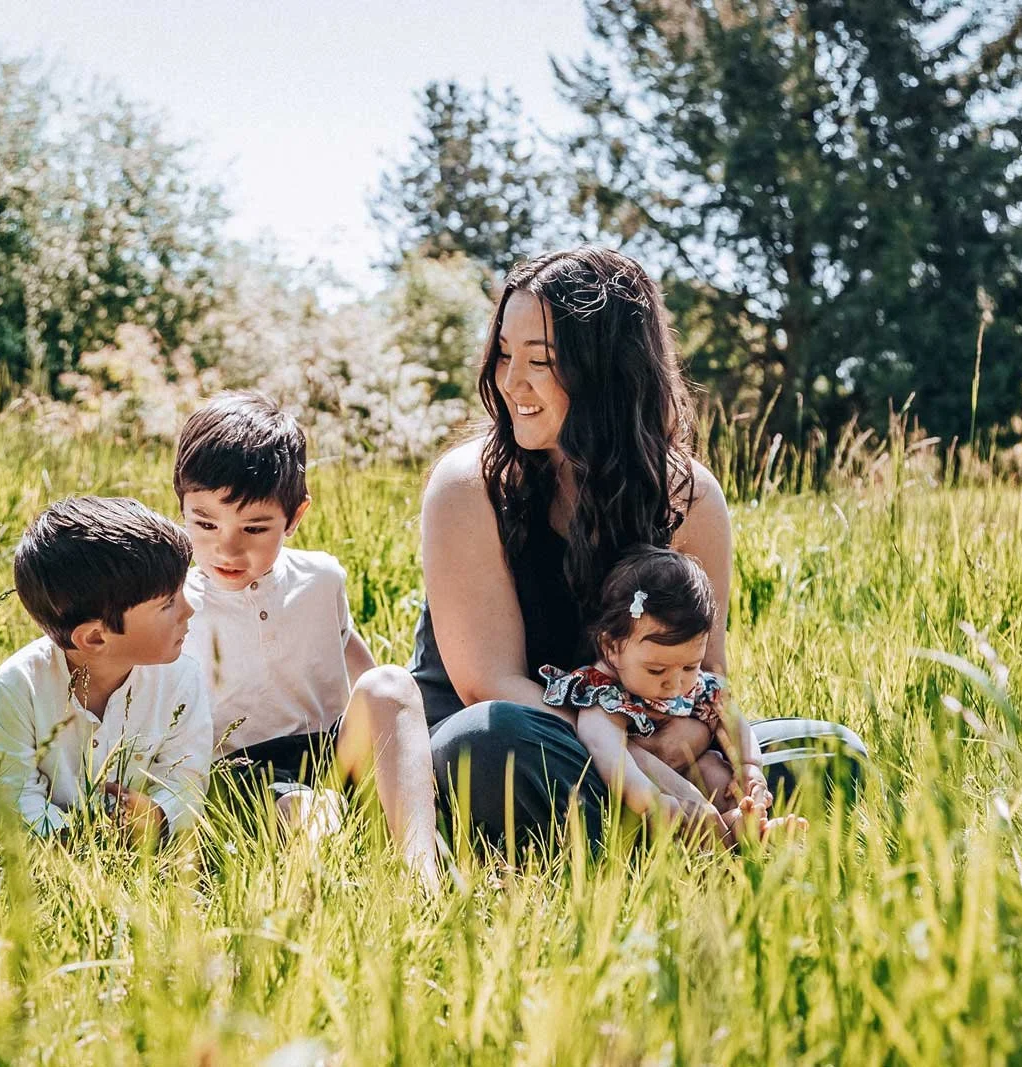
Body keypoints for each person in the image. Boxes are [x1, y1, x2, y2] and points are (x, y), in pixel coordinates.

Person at [409, 245, 866, 848]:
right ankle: (687, 839)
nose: (510, 380)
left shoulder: (689, 496)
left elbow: (704, 670)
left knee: (830, 752)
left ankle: (660, 837)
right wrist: (623, 750)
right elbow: (487, 684)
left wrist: (695, 741)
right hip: (531, 739)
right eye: (503, 354)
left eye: (539, 360)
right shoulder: (469, 486)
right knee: (493, 742)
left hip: (654, 734)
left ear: (607, 371)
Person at [175, 390, 440, 889]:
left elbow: (348, 651)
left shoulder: (321, 578)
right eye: (204, 523)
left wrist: (393, 719)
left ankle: (421, 870)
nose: (226, 547)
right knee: (306, 810)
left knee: (390, 682)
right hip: (241, 773)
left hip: (330, 750)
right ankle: (331, 888)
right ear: (183, 510)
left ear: (294, 517)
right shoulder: (177, 604)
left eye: (254, 527)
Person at [0, 496, 211, 846]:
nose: (189, 609)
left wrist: (158, 817)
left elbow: (187, 780)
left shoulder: (181, 680)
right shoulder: (18, 687)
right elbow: (11, 794)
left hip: (147, 853)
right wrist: (74, 840)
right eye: (168, 604)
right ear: (95, 637)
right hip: (55, 854)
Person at [541, 546, 805, 844]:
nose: (676, 683)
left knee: (720, 777)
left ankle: (745, 826)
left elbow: (732, 721)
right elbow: (605, 748)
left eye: (690, 666)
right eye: (656, 670)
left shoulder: (698, 685)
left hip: (694, 773)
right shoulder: (602, 692)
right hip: (640, 792)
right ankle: (730, 841)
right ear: (612, 648)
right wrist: (646, 796)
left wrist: (747, 766)